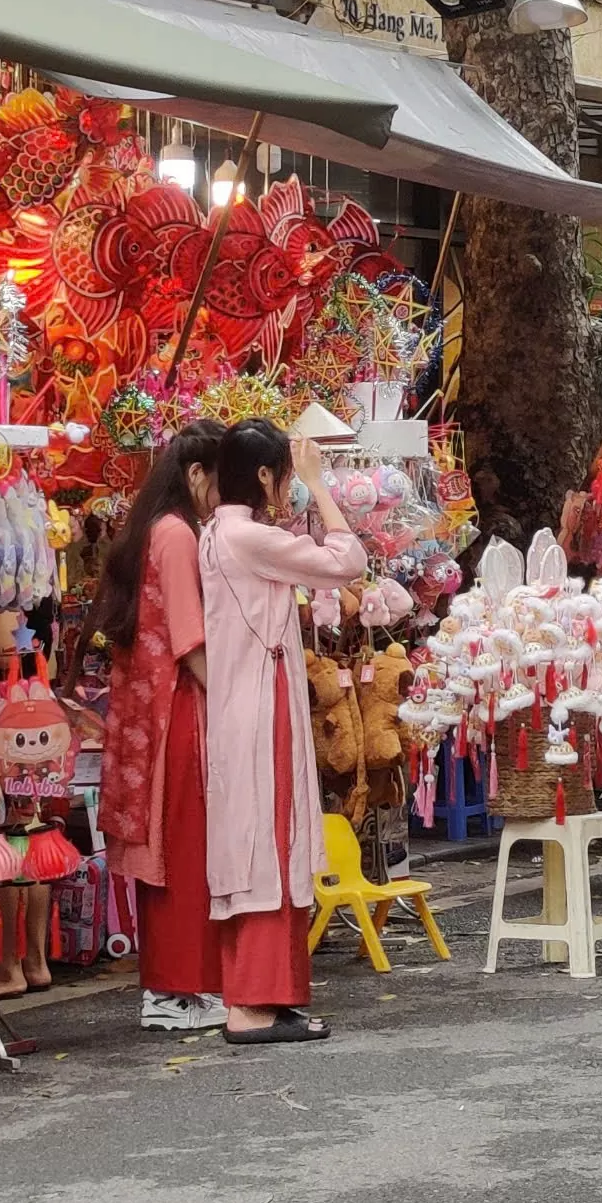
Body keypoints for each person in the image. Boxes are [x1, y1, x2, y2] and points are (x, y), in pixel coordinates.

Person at [202, 420, 366, 1044]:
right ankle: (250, 1003)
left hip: (244, 699)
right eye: (288, 475)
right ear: (267, 476)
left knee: (263, 841)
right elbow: (347, 561)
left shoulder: (216, 531)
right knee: (269, 844)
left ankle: (270, 995)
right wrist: (324, 488)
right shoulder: (249, 536)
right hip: (260, 702)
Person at [90, 420, 229, 1033]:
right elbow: (189, 638)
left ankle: (173, 988)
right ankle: (179, 987)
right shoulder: (177, 535)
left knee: (168, 852)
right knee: (183, 851)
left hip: (150, 713)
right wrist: (234, 692)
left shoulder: (153, 529)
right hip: (177, 714)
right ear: (197, 476)